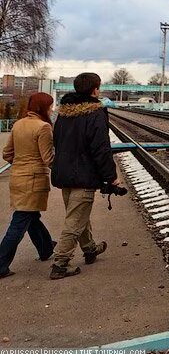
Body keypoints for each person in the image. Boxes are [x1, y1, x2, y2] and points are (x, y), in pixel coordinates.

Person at [49, 72, 119, 279]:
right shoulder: (95, 113)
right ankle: (60, 263)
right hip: (83, 174)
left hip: (64, 173)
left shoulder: (63, 113)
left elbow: (58, 141)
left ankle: (89, 249)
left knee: (78, 215)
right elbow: (100, 148)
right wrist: (111, 176)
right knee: (75, 220)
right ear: (95, 90)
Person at [0, 93, 57, 278]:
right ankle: (1, 265)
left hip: (17, 178)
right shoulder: (43, 127)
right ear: (43, 108)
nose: (52, 109)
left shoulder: (18, 124)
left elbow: (7, 154)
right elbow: (48, 159)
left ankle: (46, 248)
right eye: (51, 106)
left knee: (31, 216)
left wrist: (21, 163)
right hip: (34, 180)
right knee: (20, 221)